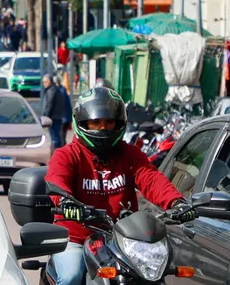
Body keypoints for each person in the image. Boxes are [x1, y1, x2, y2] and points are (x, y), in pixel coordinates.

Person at [45, 88, 197, 285]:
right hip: (76, 238)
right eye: (96, 122)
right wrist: (66, 203)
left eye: (109, 122)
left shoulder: (129, 154)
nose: (103, 128)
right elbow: (57, 181)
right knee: (71, 277)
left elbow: (151, 178)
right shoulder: (67, 155)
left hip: (124, 239)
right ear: (82, 123)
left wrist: (176, 202)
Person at [42, 74, 69, 149]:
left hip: (53, 117)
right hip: (56, 116)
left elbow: (49, 104)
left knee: (55, 137)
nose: (43, 84)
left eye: (44, 82)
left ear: (49, 81)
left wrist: (46, 116)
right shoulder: (54, 89)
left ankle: (57, 152)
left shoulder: (51, 90)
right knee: (56, 136)